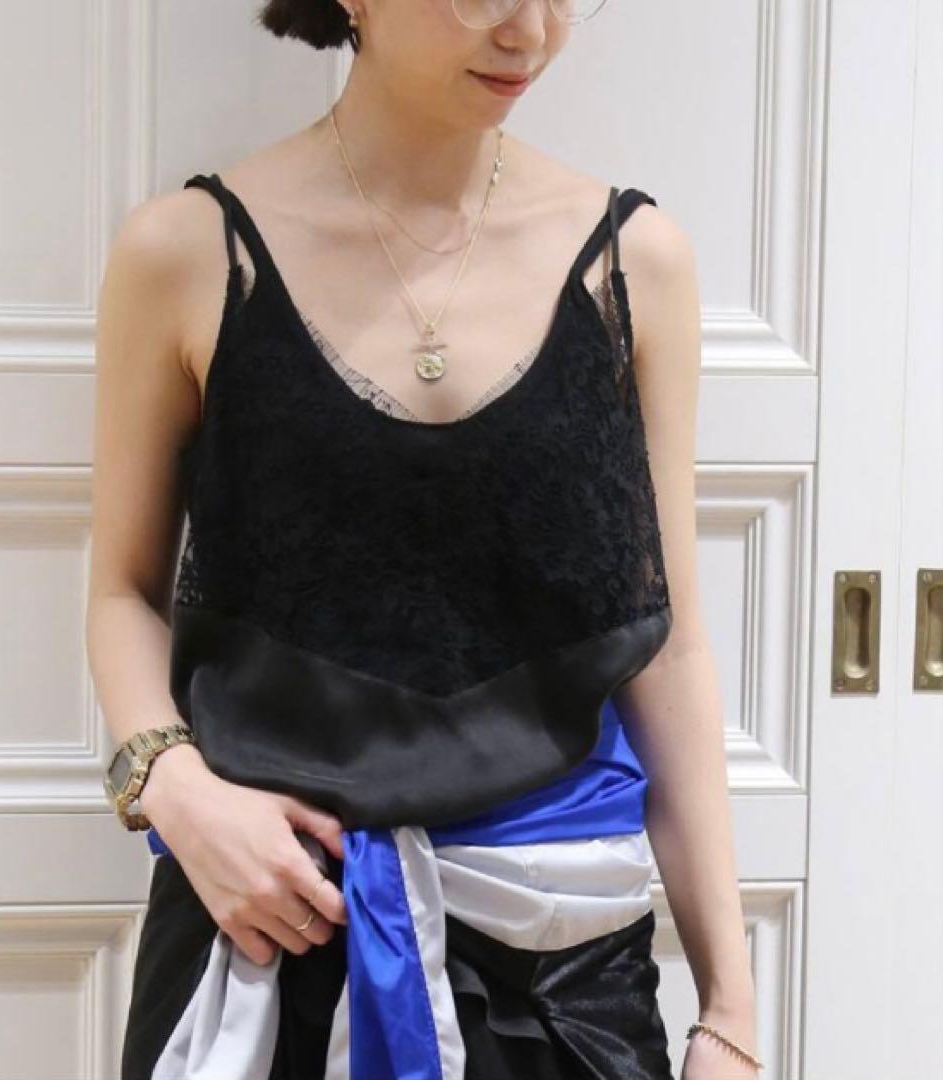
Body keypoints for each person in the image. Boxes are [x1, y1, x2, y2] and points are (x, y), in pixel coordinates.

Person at [86, 1, 762, 1077]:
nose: (530, 32)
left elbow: (667, 647)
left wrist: (729, 1008)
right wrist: (170, 785)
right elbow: (123, 589)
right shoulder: (184, 254)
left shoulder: (636, 265)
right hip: (264, 938)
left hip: (564, 978)